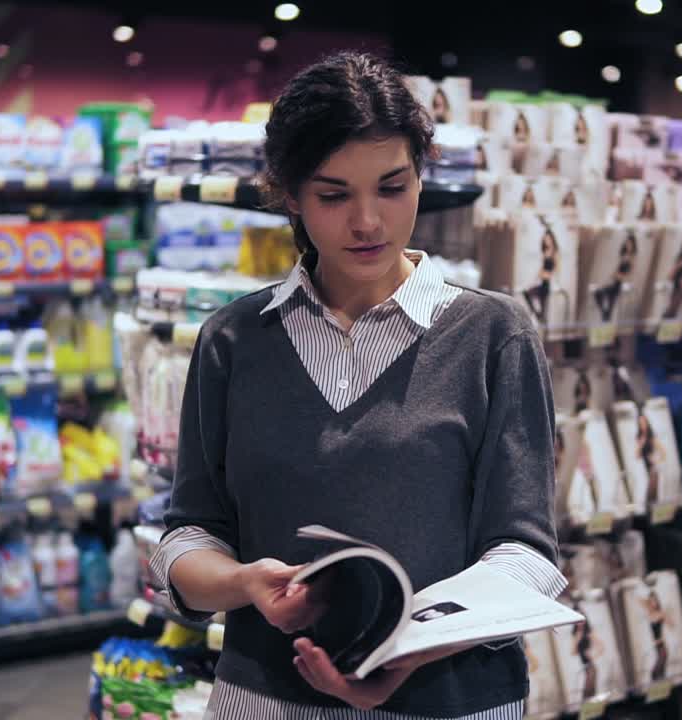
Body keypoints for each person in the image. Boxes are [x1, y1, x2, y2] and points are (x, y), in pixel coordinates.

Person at [151, 51, 566, 720]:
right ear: (291, 194)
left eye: (392, 187)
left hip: (453, 701)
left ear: (422, 178)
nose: (368, 221)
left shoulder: (493, 333)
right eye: (334, 194)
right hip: (264, 697)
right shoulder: (234, 339)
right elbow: (188, 534)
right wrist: (240, 583)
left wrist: (407, 651)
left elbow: (524, 551)